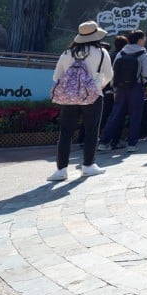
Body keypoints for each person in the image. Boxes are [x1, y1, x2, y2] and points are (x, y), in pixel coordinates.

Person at [48, 21, 114, 181]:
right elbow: (109, 74)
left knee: (65, 132)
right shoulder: (101, 53)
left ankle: (61, 170)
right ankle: (88, 166)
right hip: (93, 97)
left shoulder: (67, 53)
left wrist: (72, 87)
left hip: (69, 99)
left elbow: (56, 77)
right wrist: (97, 86)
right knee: (91, 131)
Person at [101, 29, 147, 152]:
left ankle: (103, 142)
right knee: (136, 116)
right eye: (144, 39)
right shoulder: (144, 54)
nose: (144, 41)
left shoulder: (121, 53)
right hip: (136, 87)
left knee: (116, 115)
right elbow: (145, 73)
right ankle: (132, 144)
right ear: (140, 40)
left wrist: (115, 89)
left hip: (120, 89)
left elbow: (114, 73)